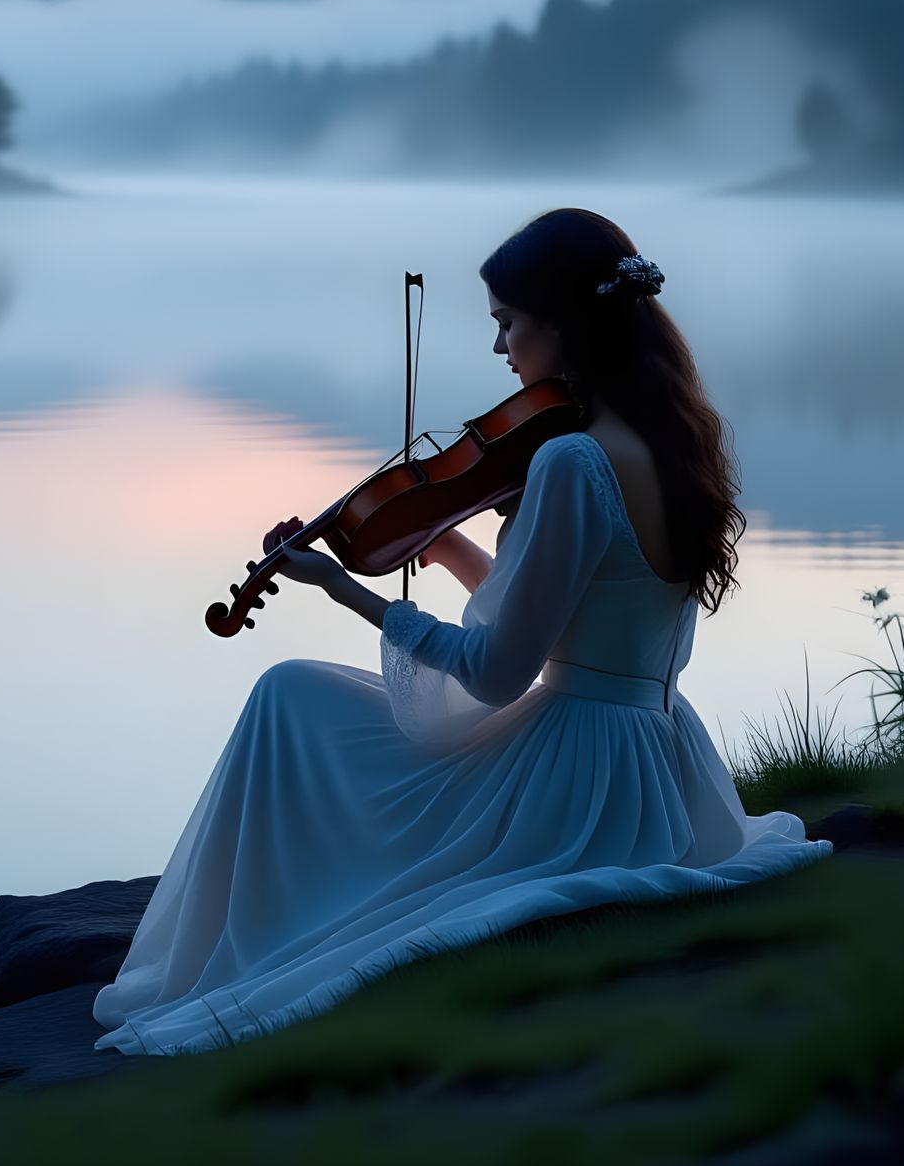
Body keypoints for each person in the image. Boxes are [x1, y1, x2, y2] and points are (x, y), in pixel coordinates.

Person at [91, 208, 834, 1057]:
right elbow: (565, 620)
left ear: (565, 324)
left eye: (507, 325)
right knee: (305, 698)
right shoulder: (671, 438)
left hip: (575, 778)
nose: (500, 352)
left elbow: (495, 673)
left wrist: (345, 590)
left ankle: (251, 930)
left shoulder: (570, 460)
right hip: (659, 757)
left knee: (287, 696)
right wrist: (444, 544)